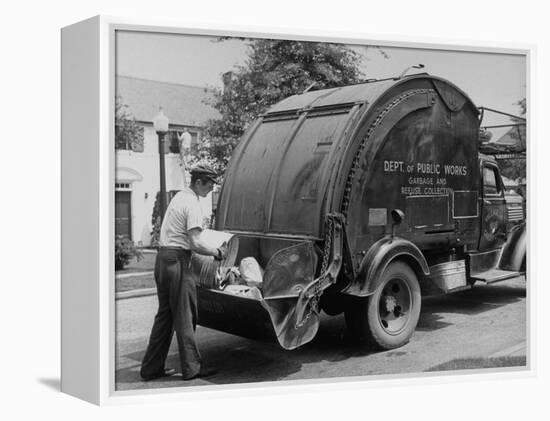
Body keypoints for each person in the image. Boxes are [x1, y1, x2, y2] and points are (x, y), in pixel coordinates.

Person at [140, 164, 227, 381]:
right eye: (209, 184)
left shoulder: (179, 197)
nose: (210, 189)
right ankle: (191, 368)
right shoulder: (192, 203)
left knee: (165, 316)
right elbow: (195, 242)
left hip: (162, 261)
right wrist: (217, 251)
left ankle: (151, 368)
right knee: (185, 315)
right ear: (198, 182)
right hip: (178, 261)